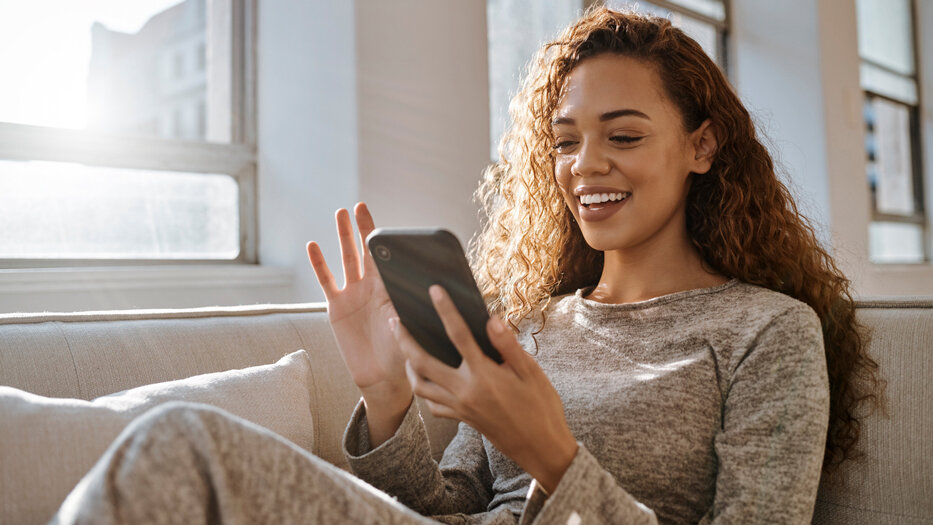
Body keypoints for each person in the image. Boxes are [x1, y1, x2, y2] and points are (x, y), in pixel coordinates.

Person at [52, 6, 882, 524]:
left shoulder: (766, 330)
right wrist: (383, 395)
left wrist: (554, 458)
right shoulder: (530, 324)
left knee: (179, 440)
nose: (584, 165)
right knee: (172, 448)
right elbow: (441, 504)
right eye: (564, 141)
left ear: (701, 145)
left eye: (623, 135)